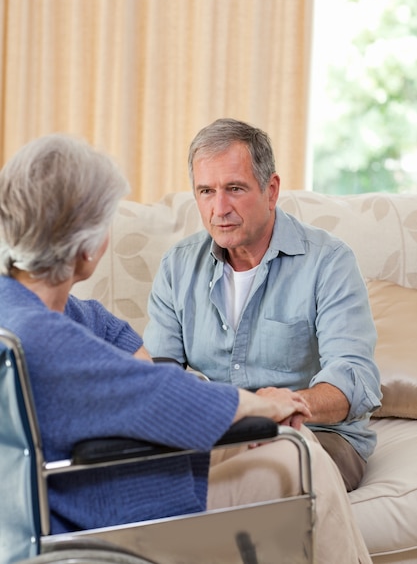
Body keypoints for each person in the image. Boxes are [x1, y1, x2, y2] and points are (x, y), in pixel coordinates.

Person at [0, 134, 311, 535]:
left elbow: (120, 344)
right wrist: (266, 403)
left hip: (66, 490)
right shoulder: (45, 339)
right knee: (297, 459)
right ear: (87, 247)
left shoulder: (23, 307)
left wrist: (138, 382)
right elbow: (166, 395)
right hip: (97, 505)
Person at [143, 118, 383, 559]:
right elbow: (159, 375)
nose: (219, 208)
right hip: (221, 432)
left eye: (234, 188)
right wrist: (224, 413)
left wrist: (288, 405)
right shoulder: (178, 267)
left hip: (320, 434)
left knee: (276, 466)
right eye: (206, 192)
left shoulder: (328, 262)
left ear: (271, 190)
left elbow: (355, 376)